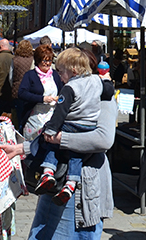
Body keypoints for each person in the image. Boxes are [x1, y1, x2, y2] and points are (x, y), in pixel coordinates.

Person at [1, 67, 117, 240]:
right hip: (57, 182)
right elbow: (51, 132)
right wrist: (22, 149)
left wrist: (61, 139)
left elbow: (104, 139)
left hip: (83, 187)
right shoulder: (70, 93)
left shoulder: (103, 97)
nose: (62, 79)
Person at [34, 48, 115, 204]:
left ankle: (48, 172)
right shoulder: (96, 81)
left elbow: (60, 112)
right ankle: (71, 184)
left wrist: (51, 130)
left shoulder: (70, 87)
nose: (59, 76)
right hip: (89, 126)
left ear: (73, 71)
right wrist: (105, 79)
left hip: (71, 124)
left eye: (60, 71)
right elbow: (108, 92)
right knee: (76, 152)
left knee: (52, 145)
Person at [19, 44, 64, 139]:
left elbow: (62, 90)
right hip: (35, 118)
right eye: (45, 60)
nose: (47, 63)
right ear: (38, 60)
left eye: (50, 60)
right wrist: (42, 99)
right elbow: (22, 93)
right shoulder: (30, 75)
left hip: (52, 116)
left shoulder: (55, 74)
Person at [11, 39, 36, 128]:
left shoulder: (14, 60)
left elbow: (10, 77)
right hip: (30, 91)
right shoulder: (33, 60)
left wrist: (13, 86)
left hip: (17, 91)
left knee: (19, 115)